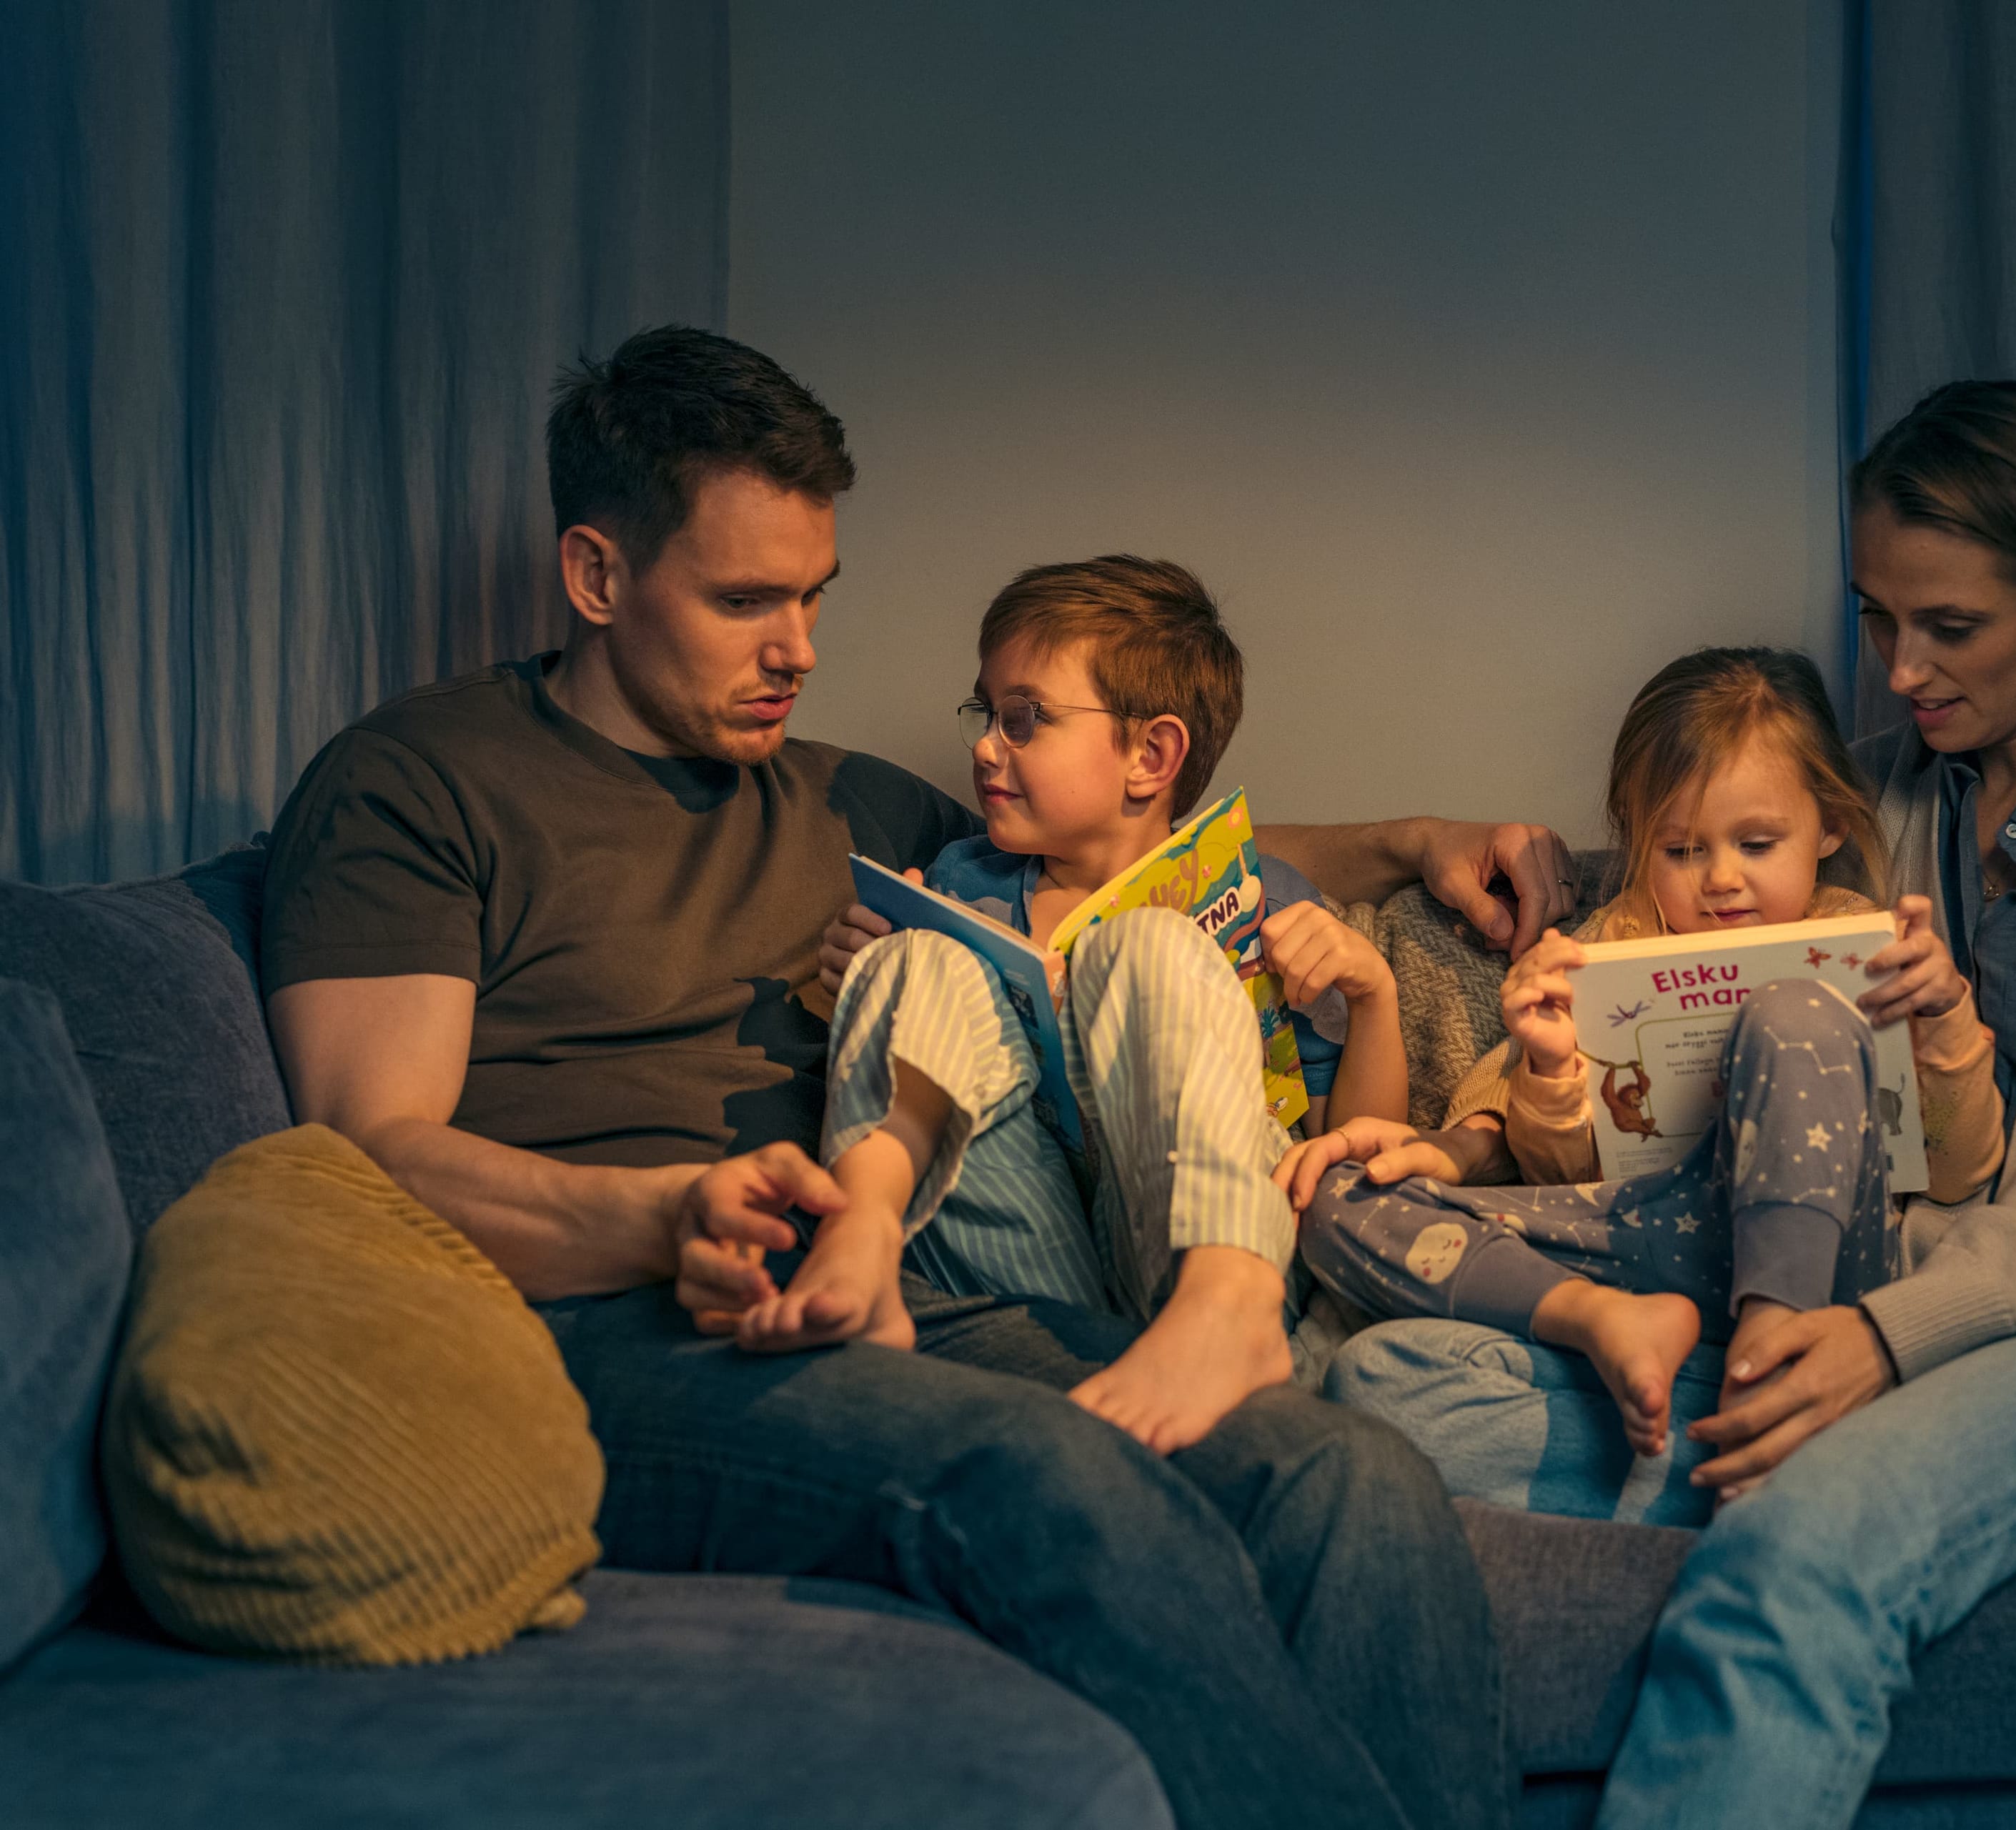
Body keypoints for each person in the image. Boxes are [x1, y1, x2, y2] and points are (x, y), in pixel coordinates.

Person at [261, 323, 1567, 1830]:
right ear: (598, 575)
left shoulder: (845, 801)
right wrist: (659, 1215)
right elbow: (368, 1153)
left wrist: (1413, 842)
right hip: (610, 1328)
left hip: (891, 1286)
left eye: (814, 594)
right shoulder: (419, 780)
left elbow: (1122, 845)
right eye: (745, 600)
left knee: (1352, 1484)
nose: (800, 649)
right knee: (1057, 1479)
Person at [1321, 379, 2016, 1829]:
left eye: (1949, 625)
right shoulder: (1873, 795)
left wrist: (1888, 1341)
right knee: (1391, 1397)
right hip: (1909, 1305)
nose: (1898, 670)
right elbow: (1665, 908)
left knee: (1796, 1552)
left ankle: (1898, 1503)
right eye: (1878, 618)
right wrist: (1465, 922)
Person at [1279, 647, 2003, 1507]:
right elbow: (1551, 1169)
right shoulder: (1608, 943)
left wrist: (1943, 1016)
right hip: (1655, 1258)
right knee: (1339, 1192)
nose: (1722, 878)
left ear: (1831, 827)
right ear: (1637, 840)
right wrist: (1548, 1068)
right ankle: (1625, 1344)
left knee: (1796, 1012)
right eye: (1683, 848)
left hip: (1823, 1269)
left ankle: (1772, 1357)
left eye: (1757, 843)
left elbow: (1959, 1173)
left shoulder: (1865, 942)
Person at [767, 555, 1408, 1453]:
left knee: (1147, 945)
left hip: (1212, 1238)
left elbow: (1363, 1151)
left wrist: (1373, 996)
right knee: (916, 957)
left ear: (1151, 756)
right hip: (1046, 1277)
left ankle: (1226, 1304)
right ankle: (862, 1229)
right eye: (986, 713)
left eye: (1024, 718)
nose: (985, 746)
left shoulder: (1265, 901)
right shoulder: (965, 881)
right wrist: (861, 972)